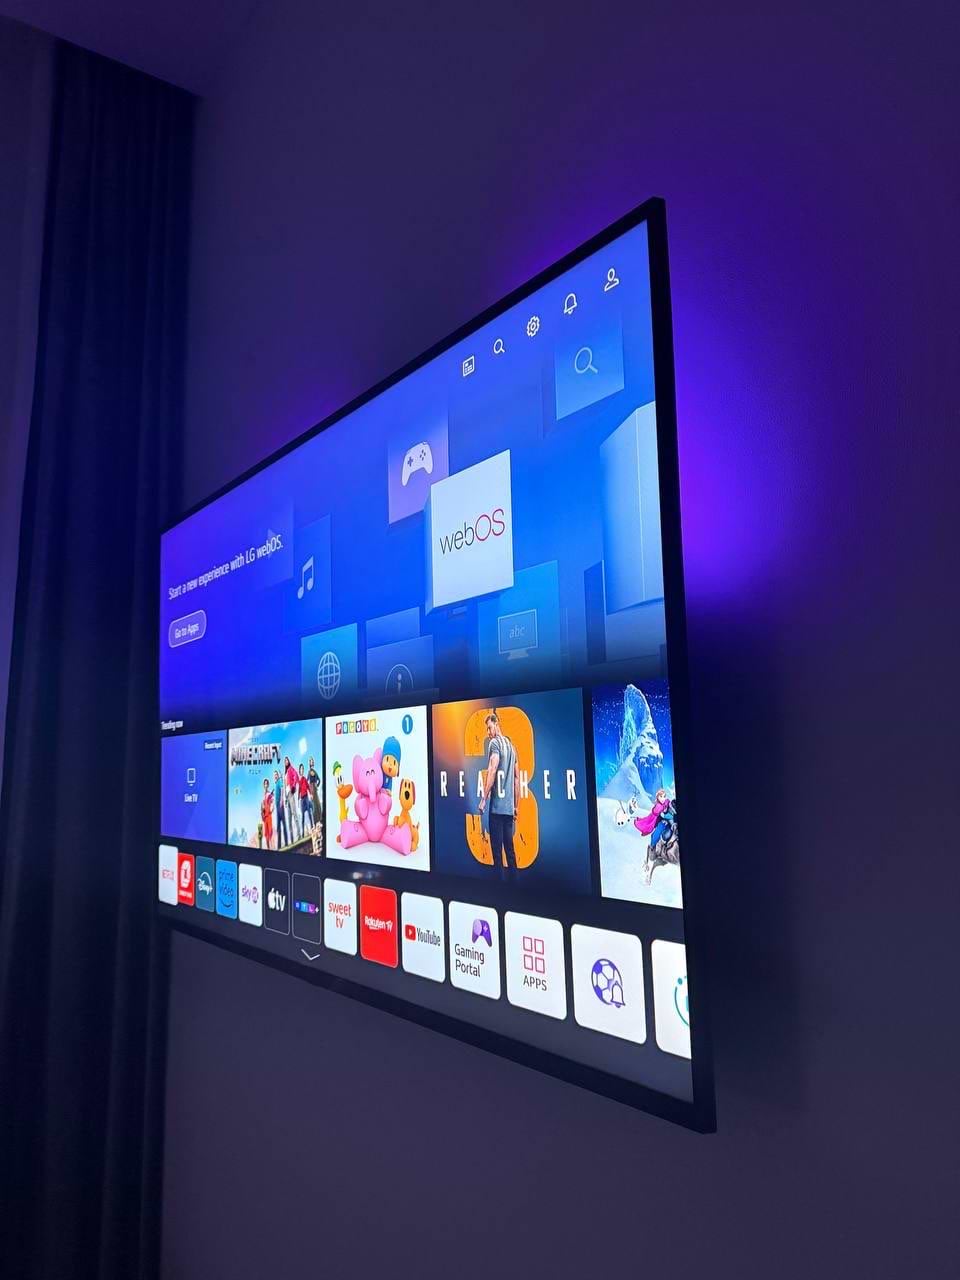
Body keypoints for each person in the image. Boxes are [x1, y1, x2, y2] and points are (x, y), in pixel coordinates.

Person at [477, 711, 520, 877]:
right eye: (487, 729)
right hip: (509, 810)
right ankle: (515, 890)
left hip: (496, 809)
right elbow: (516, 779)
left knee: (497, 855)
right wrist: (515, 806)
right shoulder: (512, 747)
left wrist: (483, 799)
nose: (488, 733)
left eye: (489, 728)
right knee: (510, 852)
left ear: (496, 724)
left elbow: (492, 769)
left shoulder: (494, 744)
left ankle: (500, 891)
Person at [285, 755, 300, 842]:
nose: (286, 762)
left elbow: (296, 776)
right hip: (287, 796)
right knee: (289, 817)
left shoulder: (291, 769)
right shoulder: (286, 772)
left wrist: (294, 786)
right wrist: (285, 798)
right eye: (285, 761)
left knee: (294, 814)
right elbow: (285, 785)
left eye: (287, 760)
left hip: (290, 793)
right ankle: (292, 839)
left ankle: (299, 834)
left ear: (289, 761)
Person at [273, 768, 288, 849]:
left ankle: (286, 843)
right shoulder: (276, 784)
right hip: (277, 807)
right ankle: (279, 846)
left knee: (284, 824)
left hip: (280, 805)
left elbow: (282, 789)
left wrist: (282, 800)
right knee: (278, 826)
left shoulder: (279, 781)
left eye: (276, 775)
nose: (275, 776)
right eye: (274, 775)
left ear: (277, 775)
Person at [307, 755, 322, 827]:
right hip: (312, 789)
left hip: (315, 789)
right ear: (309, 763)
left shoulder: (314, 771)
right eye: (310, 761)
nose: (312, 762)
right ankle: (316, 822)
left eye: (312, 761)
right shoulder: (310, 771)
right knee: (315, 806)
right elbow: (307, 781)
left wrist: (317, 785)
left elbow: (319, 780)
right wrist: (310, 792)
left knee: (318, 804)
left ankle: (319, 820)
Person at [298, 763, 313, 832]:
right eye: (301, 769)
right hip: (302, 799)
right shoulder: (299, 780)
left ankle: (312, 828)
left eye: (303, 769)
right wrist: (298, 799)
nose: (302, 770)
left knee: (309, 813)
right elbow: (299, 790)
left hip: (306, 797)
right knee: (303, 816)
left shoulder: (304, 779)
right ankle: (303, 832)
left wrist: (311, 794)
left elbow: (308, 787)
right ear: (299, 770)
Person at [260, 777, 274, 849]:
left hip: (269, 815)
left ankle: (272, 848)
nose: (265, 785)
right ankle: (268, 849)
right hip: (265, 817)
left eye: (266, 784)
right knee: (266, 834)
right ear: (263, 785)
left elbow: (273, 802)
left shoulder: (269, 794)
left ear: (268, 785)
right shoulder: (263, 795)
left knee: (270, 832)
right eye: (264, 784)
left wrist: (271, 809)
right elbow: (262, 806)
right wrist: (262, 814)